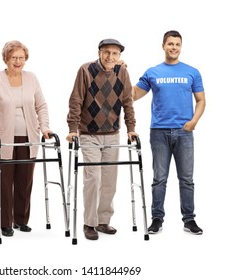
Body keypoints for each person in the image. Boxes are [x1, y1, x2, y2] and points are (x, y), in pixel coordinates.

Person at [132, 30, 206, 235]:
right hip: (159, 132)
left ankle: (189, 220)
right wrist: (119, 73)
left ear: (181, 47)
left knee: (187, 179)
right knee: (159, 178)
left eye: (177, 44)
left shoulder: (192, 72)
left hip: (184, 132)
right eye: (170, 44)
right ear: (163, 45)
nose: (174, 47)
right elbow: (133, 95)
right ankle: (157, 219)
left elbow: (201, 100)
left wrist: (193, 121)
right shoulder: (153, 72)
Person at [0, 40, 52, 237]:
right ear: (6, 59)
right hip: (2, 138)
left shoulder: (32, 78)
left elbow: (41, 106)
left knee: (24, 181)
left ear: (25, 59)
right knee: (3, 182)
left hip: (29, 137)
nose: (17, 61)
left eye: (21, 57)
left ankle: (21, 220)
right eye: (13, 58)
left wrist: (44, 128)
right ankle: (5, 223)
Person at [66, 39, 138, 240]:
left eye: (115, 54)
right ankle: (89, 223)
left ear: (119, 57)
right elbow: (76, 100)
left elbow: (127, 102)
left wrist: (131, 129)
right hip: (89, 134)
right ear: (99, 52)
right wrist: (73, 129)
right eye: (107, 52)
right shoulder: (86, 70)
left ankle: (103, 221)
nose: (110, 57)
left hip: (113, 134)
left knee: (109, 181)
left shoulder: (121, 72)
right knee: (93, 178)